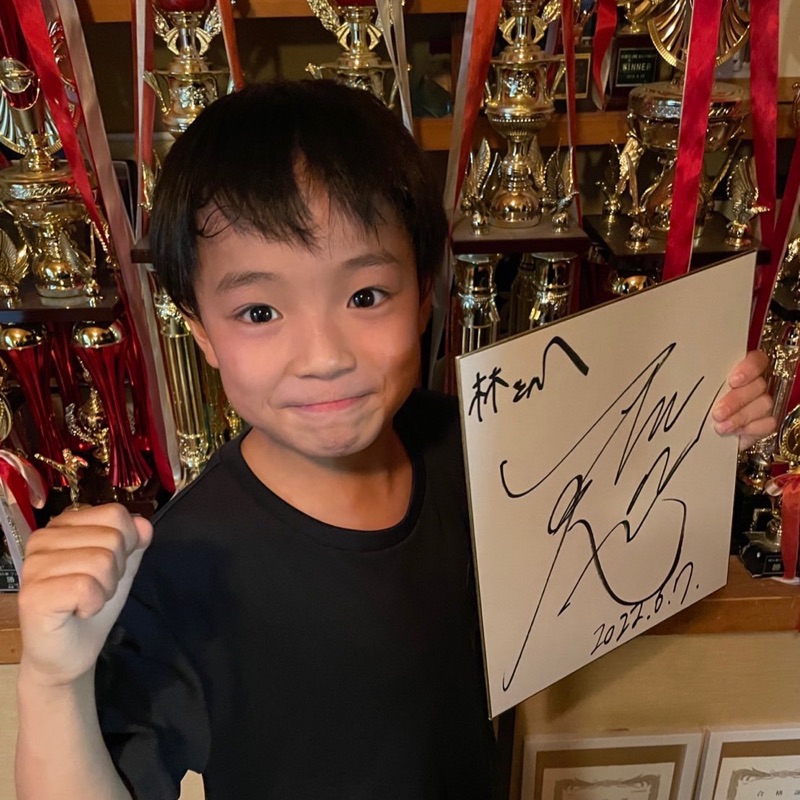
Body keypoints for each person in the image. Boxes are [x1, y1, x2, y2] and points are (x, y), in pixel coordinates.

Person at [15, 80, 775, 800]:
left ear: (423, 299)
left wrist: (709, 423)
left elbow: (623, 503)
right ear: (203, 333)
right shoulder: (183, 568)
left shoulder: (481, 449)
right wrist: (53, 681)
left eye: (365, 295)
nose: (324, 356)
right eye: (259, 313)